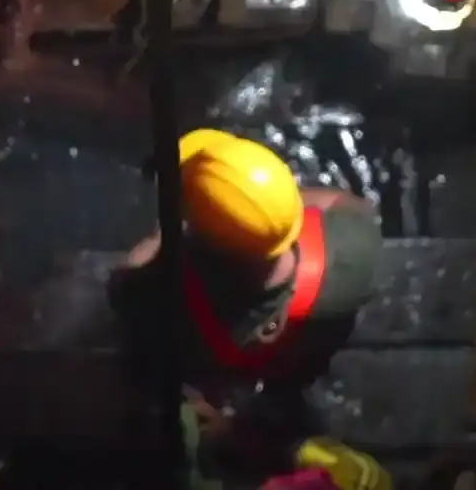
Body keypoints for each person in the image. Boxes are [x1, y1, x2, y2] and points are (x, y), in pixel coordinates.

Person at [106, 128, 385, 414]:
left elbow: (121, 282)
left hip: (211, 368)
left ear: (204, 242)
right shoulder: (356, 253)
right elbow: (349, 205)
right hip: (303, 356)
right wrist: (264, 209)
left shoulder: (160, 296)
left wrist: (163, 239)